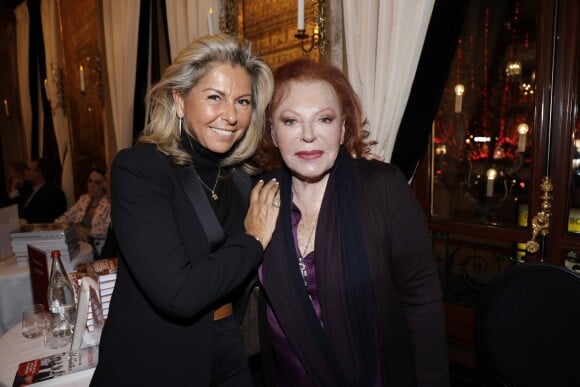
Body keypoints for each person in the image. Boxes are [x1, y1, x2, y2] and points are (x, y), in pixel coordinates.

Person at [90, 34, 280, 386]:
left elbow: (308, 178)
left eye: (242, 101)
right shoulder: (140, 170)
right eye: (214, 97)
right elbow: (179, 294)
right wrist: (253, 240)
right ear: (179, 100)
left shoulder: (245, 176)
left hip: (231, 349)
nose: (230, 115)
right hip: (156, 360)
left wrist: (357, 166)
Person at [254, 58, 449, 386]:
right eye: (290, 121)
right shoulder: (257, 195)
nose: (308, 136)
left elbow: (422, 300)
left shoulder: (381, 188)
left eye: (324, 119)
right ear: (272, 132)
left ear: (343, 128)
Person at [55, 165, 110, 254]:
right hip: (77, 244)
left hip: (97, 248)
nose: (92, 185)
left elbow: (106, 231)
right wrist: (53, 226)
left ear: (104, 185)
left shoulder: (109, 203)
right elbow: (65, 218)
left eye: (97, 183)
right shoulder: (84, 199)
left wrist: (87, 232)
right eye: (90, 181)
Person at [19, 158, 67, 224]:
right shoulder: (27, 190)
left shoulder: (53, 193)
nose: (24, 171)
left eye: (28, 169)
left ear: (39, 173)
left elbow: (47, 218)